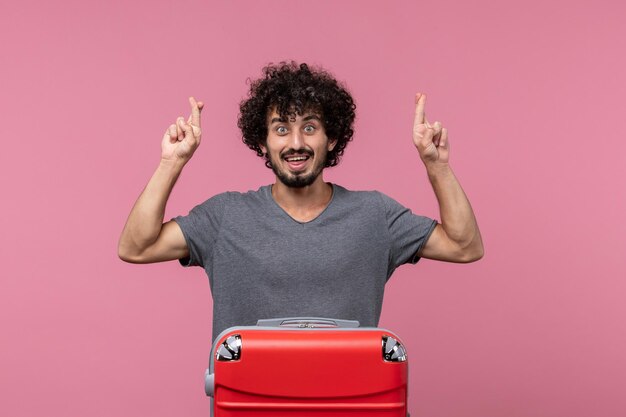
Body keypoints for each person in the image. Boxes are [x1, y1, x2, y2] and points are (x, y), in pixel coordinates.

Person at [118, 62, 483, 340]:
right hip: (250, 406)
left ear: (332, 138)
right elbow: (136, 247)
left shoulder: (375, 215)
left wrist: (436, 165)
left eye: (309, 127)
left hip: (352, 406)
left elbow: (464, 246)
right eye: (281, 129)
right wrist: (171, 162)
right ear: (262, 142)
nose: (296, 143)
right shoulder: (225, 217)